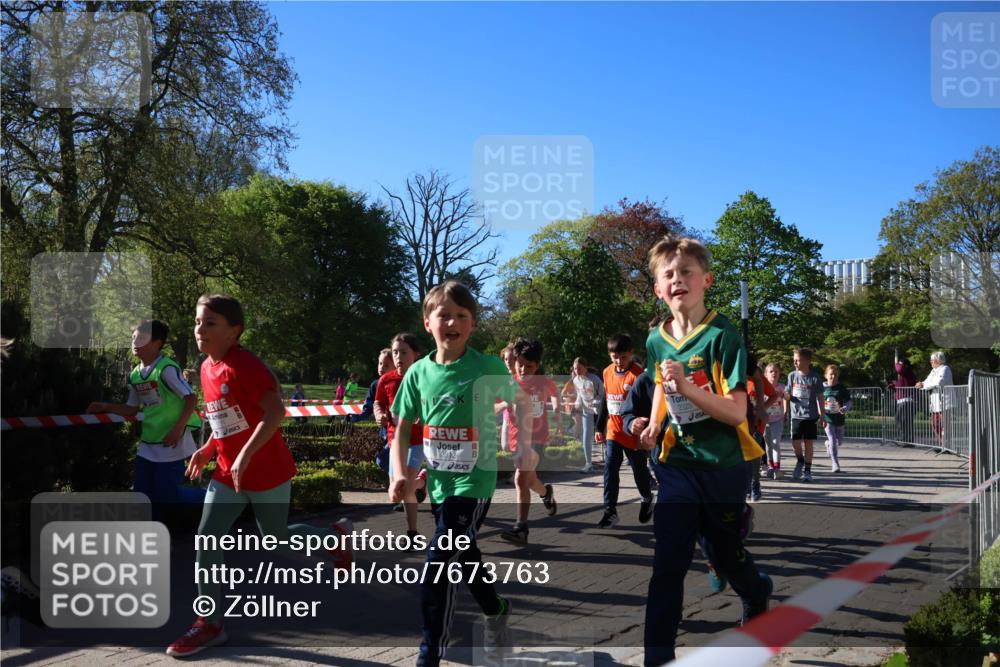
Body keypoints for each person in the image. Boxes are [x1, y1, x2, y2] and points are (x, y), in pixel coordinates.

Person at [168, 294, 353, 658]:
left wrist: (246, 455)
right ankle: (210, 623)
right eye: (197, 322)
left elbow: (275, 413)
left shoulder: (245, 366)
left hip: (266, 471)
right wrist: (208, 451)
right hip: (227, 473)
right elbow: (223, 418)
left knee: (277, 541)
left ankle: (333, 539)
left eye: (210, 323)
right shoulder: (207, 367)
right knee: (207, 539)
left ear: (234, 332)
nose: (199, 330)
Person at [638, 236, 771, 667]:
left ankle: (756, 591)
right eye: (668, 275)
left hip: (724, 465)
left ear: (706, 280)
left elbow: (735, 413)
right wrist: (655, 424)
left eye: (686, 272)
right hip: (677, 465)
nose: (678, 279)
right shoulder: (656, 341)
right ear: (658, 288)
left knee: (724, 553)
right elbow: (662, 385)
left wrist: (689, 388)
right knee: (668, 563)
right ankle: (657, 657)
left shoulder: (722, 335)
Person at [389, 280, 529, 667]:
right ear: (427, 322)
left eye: (462, 316)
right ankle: (496, 606)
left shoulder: (486, 367)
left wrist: (524, 449)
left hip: (475, 481)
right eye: (444, 314)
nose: (452, 321)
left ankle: (430, 651)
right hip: (439, 482)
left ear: (473, 324)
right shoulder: (418, 373)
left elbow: (521, 401)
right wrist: (398, 473)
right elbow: (402, 427)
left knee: (439, 559)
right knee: (462, 553)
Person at [87, 320, 204, 517]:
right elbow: (131, 409)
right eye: (133, 338)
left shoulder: (166, 369)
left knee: (167, 496)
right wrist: (105, 406)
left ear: (157, 343)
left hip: (171, 443)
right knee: (141, 495)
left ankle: (211, 498)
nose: (134, 342)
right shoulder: (135, 375)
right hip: (149, 444)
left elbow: (191, 398)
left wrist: (177, 430)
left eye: (141, 338)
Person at [501, 338, 559, 545]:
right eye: (520, 365)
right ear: (514, 362)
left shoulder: (542, 382)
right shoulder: (510, 384)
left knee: (519, 479)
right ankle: (546, 492)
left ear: (538, 365)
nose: (524, 369)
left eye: (530, 366)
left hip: (537, 439)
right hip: (518, 439)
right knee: (529, 480)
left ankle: (521, 528)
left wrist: (557, 410)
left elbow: (554, 394)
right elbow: (498, 406)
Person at [595, 335, 652, 527]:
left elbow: (647, 405)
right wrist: (599, 426)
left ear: (631, 354)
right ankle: (610, 511)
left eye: (623, 357)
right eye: (614, 357)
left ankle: (646, 498)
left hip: (633, 433)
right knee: (610, 468)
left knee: (639, 471)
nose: (619, 362)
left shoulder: (639, 375)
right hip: (614, 431)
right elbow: (606, 399)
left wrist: (644, 429)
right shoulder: (607, 372)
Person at [375, 333, 428, 539]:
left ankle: (412, 533)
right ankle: (422, 480)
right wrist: (379, 413)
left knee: (405, 488)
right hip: (394, 441)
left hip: (417, 440)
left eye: (404, 352)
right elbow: (378, 402)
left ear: (416, 354)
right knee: (395, 494)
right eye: (395, 352)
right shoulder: (386, 380)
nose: (398, 356)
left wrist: (423, 415)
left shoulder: (423, 377)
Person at [786, 348, 825, 482]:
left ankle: (807, 471)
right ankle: (800, 460)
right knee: (795, 442)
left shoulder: (815, 377)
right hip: (796, 415)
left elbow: (820, 397)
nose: (795, 362)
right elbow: (788, 393)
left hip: (810, 416)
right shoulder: (792, 376)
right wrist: (785, 398)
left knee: (809, 443)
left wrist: (823, 415)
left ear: (807, 361)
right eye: (794, 360)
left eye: (798, 360)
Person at [916, 351, 953, 450]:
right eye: (931, 360)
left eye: (932, 360)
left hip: (945, 402)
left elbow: (939, 382)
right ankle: (941, 444)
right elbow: (927, 381)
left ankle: (946, 446)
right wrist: (921, 384)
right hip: (935, 403)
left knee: (945, 426)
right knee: (935, 424)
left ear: (938, 360)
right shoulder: (933, 371)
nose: (931, 362)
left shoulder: (945, 368)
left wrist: (924, 385)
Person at [572, 357, 603, 474]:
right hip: (587, 411)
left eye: (579, 368)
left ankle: (609, 458)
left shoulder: (594, 379)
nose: (577, 371)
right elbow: (579, 394)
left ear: (585, 368)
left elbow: (603, 393)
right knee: (586, 435)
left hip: (599, 411)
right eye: (575, 369)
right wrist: (577, 402)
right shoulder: (576, 380)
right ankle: (588, 463)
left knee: (602, 434)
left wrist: (597, 401)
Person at [365, 349, 393, 471]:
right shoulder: (375, 385)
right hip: (383, 429)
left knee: (382, 460)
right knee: (389, 462)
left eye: (386, 365)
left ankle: (414, 481)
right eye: (380, 363)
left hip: (398, 430)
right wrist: (354, 416)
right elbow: (369, 406)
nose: (382, 367)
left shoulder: (401, 382)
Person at [822, 364, 852, 472]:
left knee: (838, 442)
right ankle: (835, 463)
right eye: (830, 374)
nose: (833, 377)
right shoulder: (822, 388)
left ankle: (828, 444)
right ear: (826, 375)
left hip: (839, 418)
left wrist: (845, 408)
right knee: (833, 440)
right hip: (827, 418)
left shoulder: (841, 388)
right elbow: (816, 400)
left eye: (835, 375)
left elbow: (849, 401)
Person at [763, 363, 787, 479]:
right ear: (766, 374)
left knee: (775, 442)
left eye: (776, 371)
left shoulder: (782, 387)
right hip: (765, 420)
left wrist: (785, 395)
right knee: (768, 444)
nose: (774, 373)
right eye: (771, 371)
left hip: (777, 419)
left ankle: (777, 469)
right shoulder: (761, 387)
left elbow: (788, 397)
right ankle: (770, 467)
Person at [890, 357, 917, 445]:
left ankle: (905, 441)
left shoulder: (907, 371)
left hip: (906, 401)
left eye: (901, 364)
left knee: (904, 421)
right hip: (902, 401)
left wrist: (897, 363)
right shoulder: (905, 375)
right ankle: (904, 440)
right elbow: (901, 386)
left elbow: (899, 369)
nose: (899, 365)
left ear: (905, 365)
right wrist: (893, 386)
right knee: (901, 421)